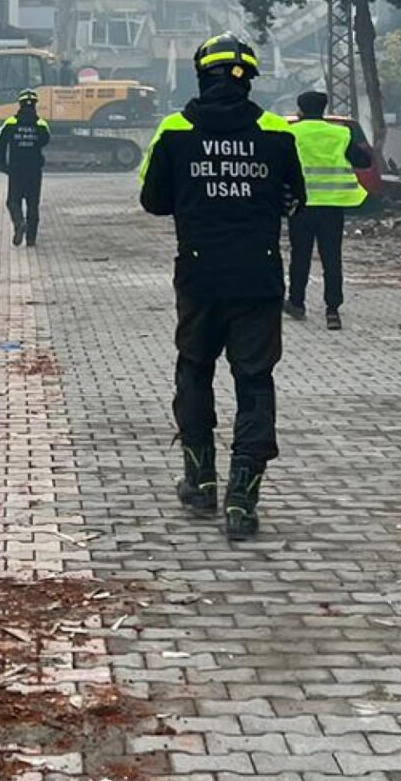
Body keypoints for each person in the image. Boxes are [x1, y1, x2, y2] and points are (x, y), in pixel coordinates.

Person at [139, 34, 304, 542]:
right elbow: (293, 201)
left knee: (194, 371)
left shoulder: (175, 131)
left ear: (200, 74)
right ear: (250, 77)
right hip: (258, 279)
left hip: (199, 277)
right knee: (254, 384)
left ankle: (200, 478)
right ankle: (242, 501)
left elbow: (153, 201)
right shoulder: (278, 134)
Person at [288, 90, 373, 331]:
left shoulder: (291, 132)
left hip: (301, 205)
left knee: (300, 256)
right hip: (333, 205)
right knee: (332, 258)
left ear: (300, 109)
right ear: (323, 109)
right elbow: (363, 161)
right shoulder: (340, 133)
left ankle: (296, 303)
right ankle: (332, 310)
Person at [0, 91, 51, 246]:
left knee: (13, 201)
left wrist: (1, 163)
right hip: (34, 170)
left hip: (16, 169)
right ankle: (31, 239)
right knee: (33, 204)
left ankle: (19, 222)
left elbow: (0, 144)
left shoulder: (11, 123)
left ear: (20, 104)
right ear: (35, 104)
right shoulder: (40, 124)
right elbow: (46, 140)